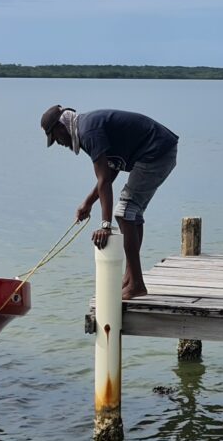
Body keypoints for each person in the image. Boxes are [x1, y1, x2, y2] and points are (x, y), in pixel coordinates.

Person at [40, 104, 177, 299]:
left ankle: (137, 284)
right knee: (132, 213)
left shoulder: (88, 132)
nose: (59, 143)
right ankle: (130, 278)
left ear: (62, 127)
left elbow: (104, 179)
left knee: (124, 212)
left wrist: (105, 226)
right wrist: (88, 203)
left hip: (156, 152)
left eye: (55, 138)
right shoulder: (86, 129)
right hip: (161, 149)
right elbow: (111, 170)